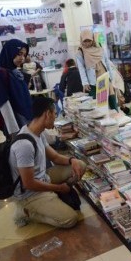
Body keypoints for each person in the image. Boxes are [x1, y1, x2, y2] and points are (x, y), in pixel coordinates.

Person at [10, 97, 86, 228]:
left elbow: (55, 157)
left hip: (44, 177)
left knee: (81, 165)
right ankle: (26, 211)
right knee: (70, 219)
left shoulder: (37, 133)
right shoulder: (24, 145)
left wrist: (72, 160)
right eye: (55, 114)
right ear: (47, 114)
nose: (55, 118)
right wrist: (59, 188)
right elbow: (29, 184)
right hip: (29, 194)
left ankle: (55, 196)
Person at [0, 39, 33, 136]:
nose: (22, 58)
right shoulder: (0, 74)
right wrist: (14, 131)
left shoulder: (14, 71)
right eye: (19, 54)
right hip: (16, 123)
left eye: (24, 55)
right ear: (10, 52)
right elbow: (4, 103)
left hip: (26, 117)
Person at [76, 29, 117, 110]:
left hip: (105, 77)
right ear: (81, 40)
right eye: (85, 41)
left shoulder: (99, 47)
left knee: (111, 98)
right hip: (93, 81)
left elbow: (107, 63)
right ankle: (103, 120)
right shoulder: (80, 52)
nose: (87, 43)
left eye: (89, 41)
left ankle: (115, 116)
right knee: (98, 103)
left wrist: (111, 77)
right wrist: (85, 82)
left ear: (93, 39)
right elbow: (81, 69)